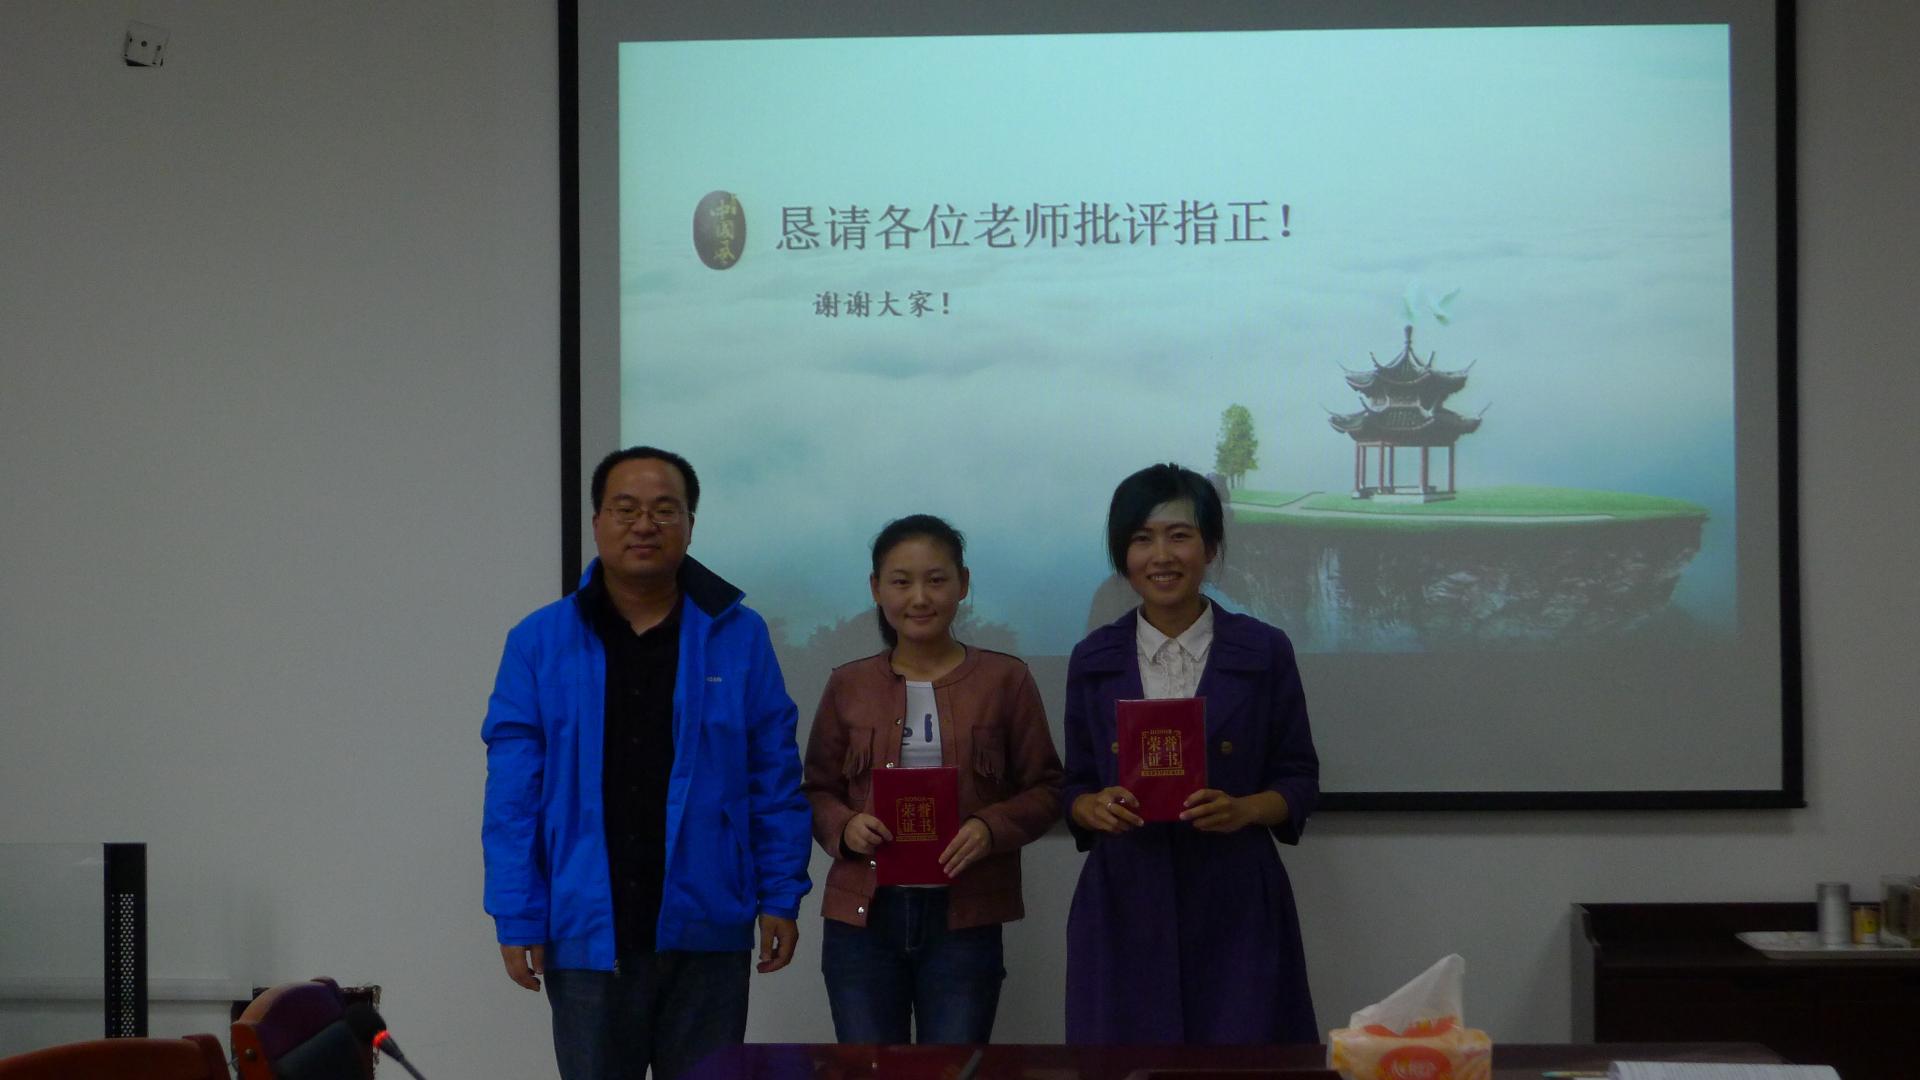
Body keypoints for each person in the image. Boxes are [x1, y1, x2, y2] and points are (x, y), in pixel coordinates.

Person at [482, 446, 812, 1080]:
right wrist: (517, 911)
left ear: (690, 524)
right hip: (586, 927)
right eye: (625, 509)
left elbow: (772, 775)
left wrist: (780, 894)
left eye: (665, 510)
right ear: (597, 521)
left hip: (709, 922)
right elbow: (513, 798)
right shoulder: (539, 641)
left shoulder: (739, 635)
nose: (645, 525)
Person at [1061, 463, 1320, 1045]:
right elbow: (1074, 783)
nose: (1162, 556)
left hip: (1236, 896)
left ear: (1211, 547)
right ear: (1122, 555)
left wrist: (1245, 809)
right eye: (1142, 539)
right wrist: (1090, 807)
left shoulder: (1264, 649)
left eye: (1179, 536)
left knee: (1244, 1054)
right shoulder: (1093, 658)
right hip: (1125, 896)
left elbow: (1300, 778)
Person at [802, 514, 1063, 1044]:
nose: (919, 598)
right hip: (863, 917)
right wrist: (845, 828)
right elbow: (816, 789)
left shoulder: (1006, 679)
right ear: (876, 589)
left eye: (936, 580)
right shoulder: (848, 684)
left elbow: (1049, 788)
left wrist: (990, 827)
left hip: (964, 916)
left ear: (963, 584)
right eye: (901, 581)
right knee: (871, 1071)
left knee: (952, 1070)